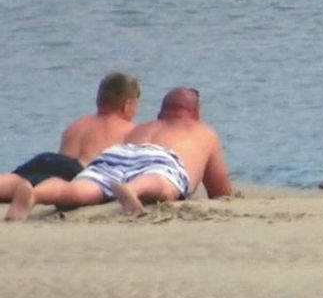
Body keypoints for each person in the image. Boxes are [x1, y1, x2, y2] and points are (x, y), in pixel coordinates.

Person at [4, 87, 232, 220]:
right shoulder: (203, 131)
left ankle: (36, 195)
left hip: (118, 153)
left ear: (161, 111)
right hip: (159, 159)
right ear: (196, 112)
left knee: (82, 190)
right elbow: (219, 188)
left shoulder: (143, 127)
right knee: (162, 181)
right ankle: (133, 189)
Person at [1, 72, 140, 216]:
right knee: (55, 184)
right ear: (127, 104)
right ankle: (34, 194)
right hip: (78, 170)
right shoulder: (129, 129)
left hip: (48, 158)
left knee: (18, 179)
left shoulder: (77, 123)